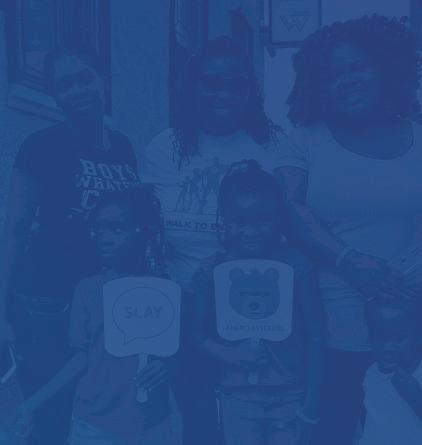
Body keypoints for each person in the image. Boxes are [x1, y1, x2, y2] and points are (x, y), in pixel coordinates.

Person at [277, 15, 422, 445]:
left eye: (357, 66)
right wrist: (348, 260)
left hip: (410, 331)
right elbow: (288, 208)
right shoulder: (304, 139)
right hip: (331, 332)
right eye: (332, 75)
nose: (347, 80)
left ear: (386, 67)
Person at [139, 36, 291, 444]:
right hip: (186, 311)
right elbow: (147, 234)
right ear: (193, 86)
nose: (225, 93)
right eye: (212, 82)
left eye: (236, 84)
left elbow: (291, 230)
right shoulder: (165, 148)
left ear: (251, 90)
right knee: (199, 421)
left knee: (256, 422)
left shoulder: (275, 146)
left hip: (257, 309)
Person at [0, 46, 140, 444]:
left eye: (84, 79)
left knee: (97, 411)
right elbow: (15, 228)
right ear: (55, 95)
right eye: (64, 85)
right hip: (48, 306)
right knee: (51, 417)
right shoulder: (40, 146)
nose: (76, 90)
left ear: (102, 80)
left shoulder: (124, 148)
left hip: (103, 305)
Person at [14, 189, 176, 445]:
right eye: (99, 230)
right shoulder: (87, 290)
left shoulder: (164, 290)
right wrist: (32, 404)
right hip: (93, 425)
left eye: (116, 229)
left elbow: (176, 353)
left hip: (150, 424)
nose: (105, 238)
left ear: (143, 231)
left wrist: (165, 366)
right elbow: (80, 359)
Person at [190, 160, 323, 445]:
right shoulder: (211, 270)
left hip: (291, 393)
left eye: (261, 221)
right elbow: (193, 332)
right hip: (237, 395)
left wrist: (311, 403)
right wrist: (227, 354)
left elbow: (316, 335)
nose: (251, 231)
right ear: (224, 220)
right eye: (240, 222)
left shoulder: (297, 267)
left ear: (278, 219)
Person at [360, 298, 422, 444]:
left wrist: (417, 398)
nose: (387, 348)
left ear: (419, 337)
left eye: (399, 338)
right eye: (379, 338)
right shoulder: (371, 372)